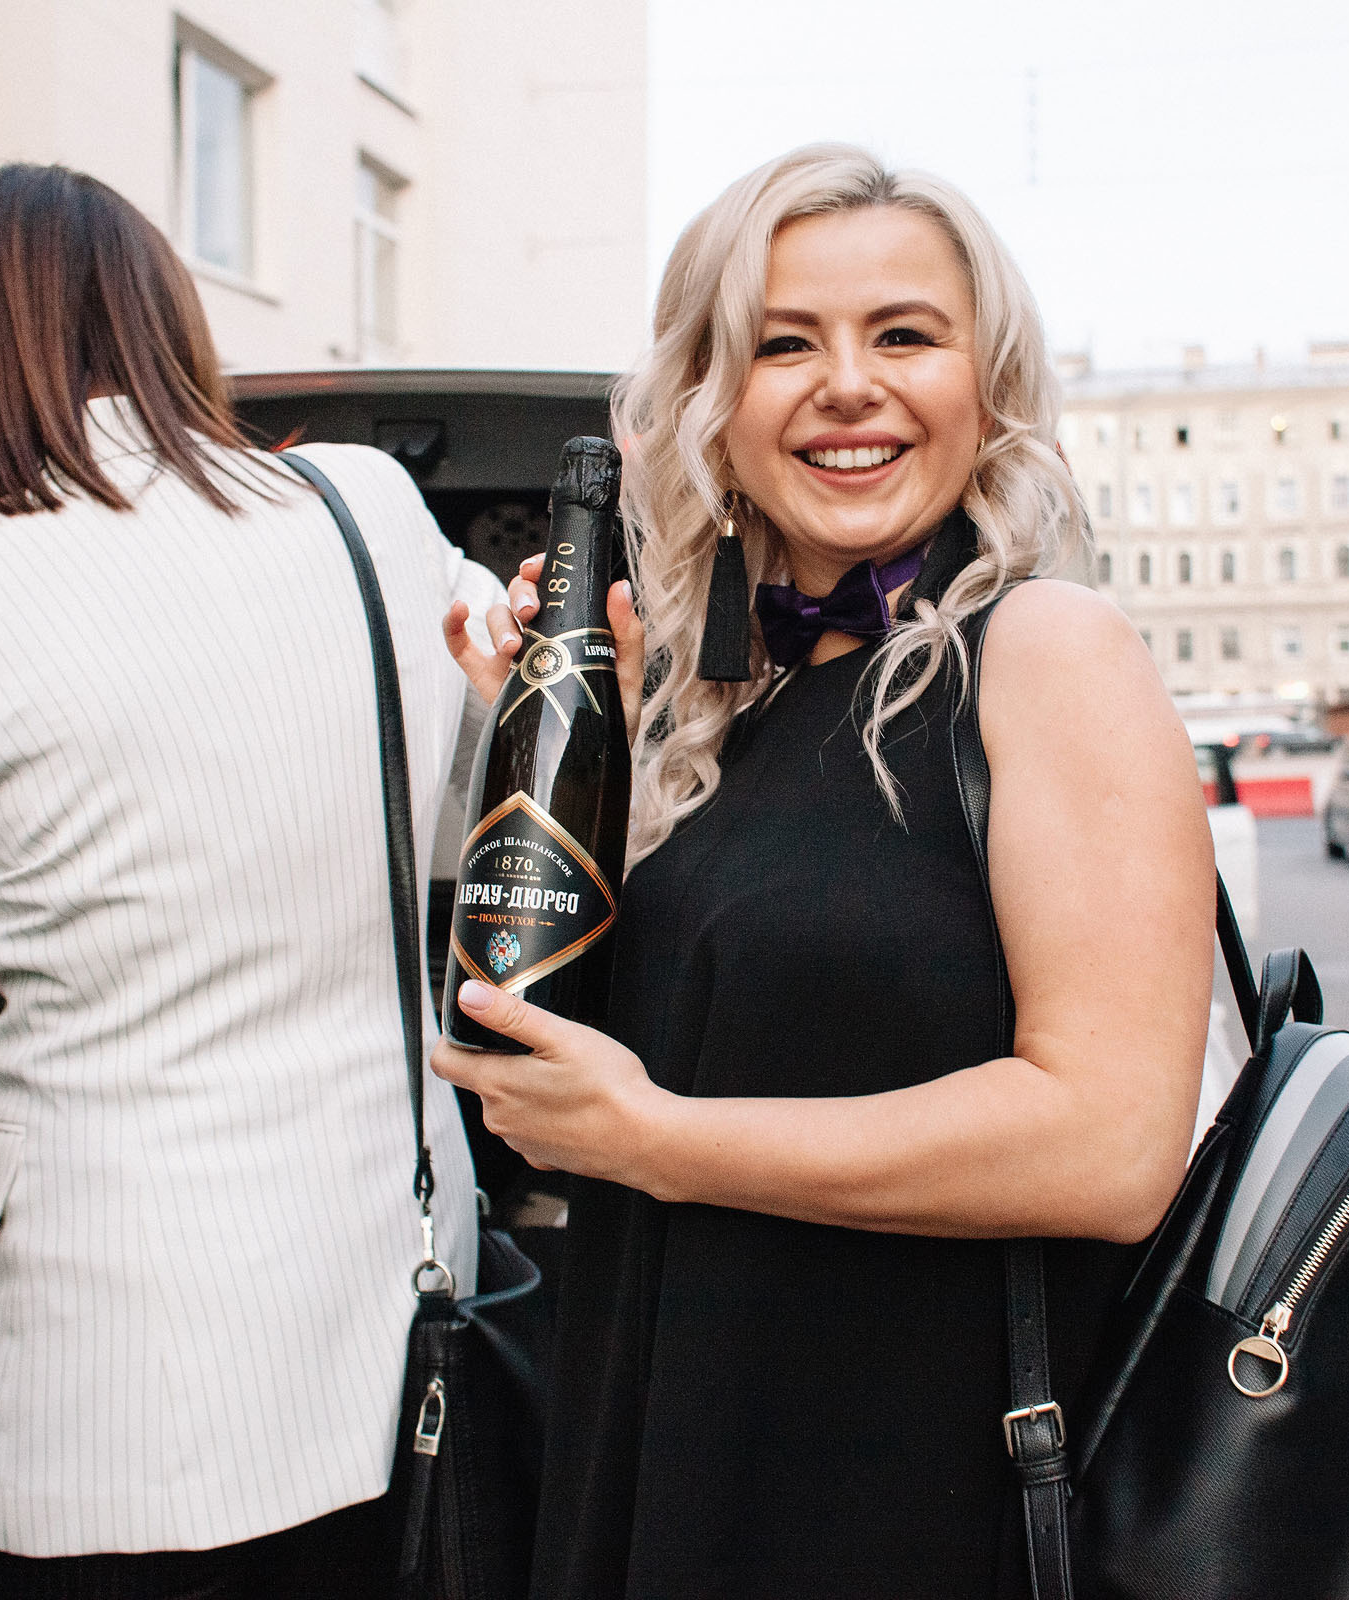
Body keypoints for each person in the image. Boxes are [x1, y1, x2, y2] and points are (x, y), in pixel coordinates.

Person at [434, 144, 1213, 1598]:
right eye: (783, 344)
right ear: (713, 407)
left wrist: (662, 1141)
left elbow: (1110, 1144)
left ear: (987, 385)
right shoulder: (720, 705)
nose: (847, 385)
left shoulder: (1047, 654)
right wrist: (561, 766)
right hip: (668, 1443)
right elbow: (585, 1091)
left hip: (894, 1485)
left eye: (903, 336)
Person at [0, 164, 499, 1594]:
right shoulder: (368, 507)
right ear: (168, 319)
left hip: (112, 1424)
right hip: (403, 1359)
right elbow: (480, 798)